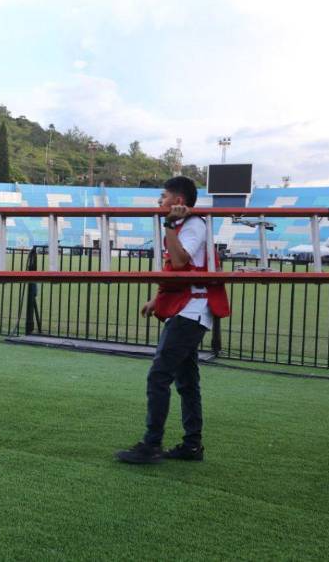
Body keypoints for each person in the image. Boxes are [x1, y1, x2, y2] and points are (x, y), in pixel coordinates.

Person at [116, 176, 229, 464]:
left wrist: (168, 227)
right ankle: (192, 445)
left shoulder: (192, 225)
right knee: (187, 381)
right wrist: (158, 299)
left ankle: (152, 444)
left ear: (178, 202)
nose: (159, 202)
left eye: (163, 197)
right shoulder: (186, 225)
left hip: (190, 312)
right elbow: (179, 273)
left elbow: (179, 262)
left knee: (159, 376)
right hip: (188, 309)